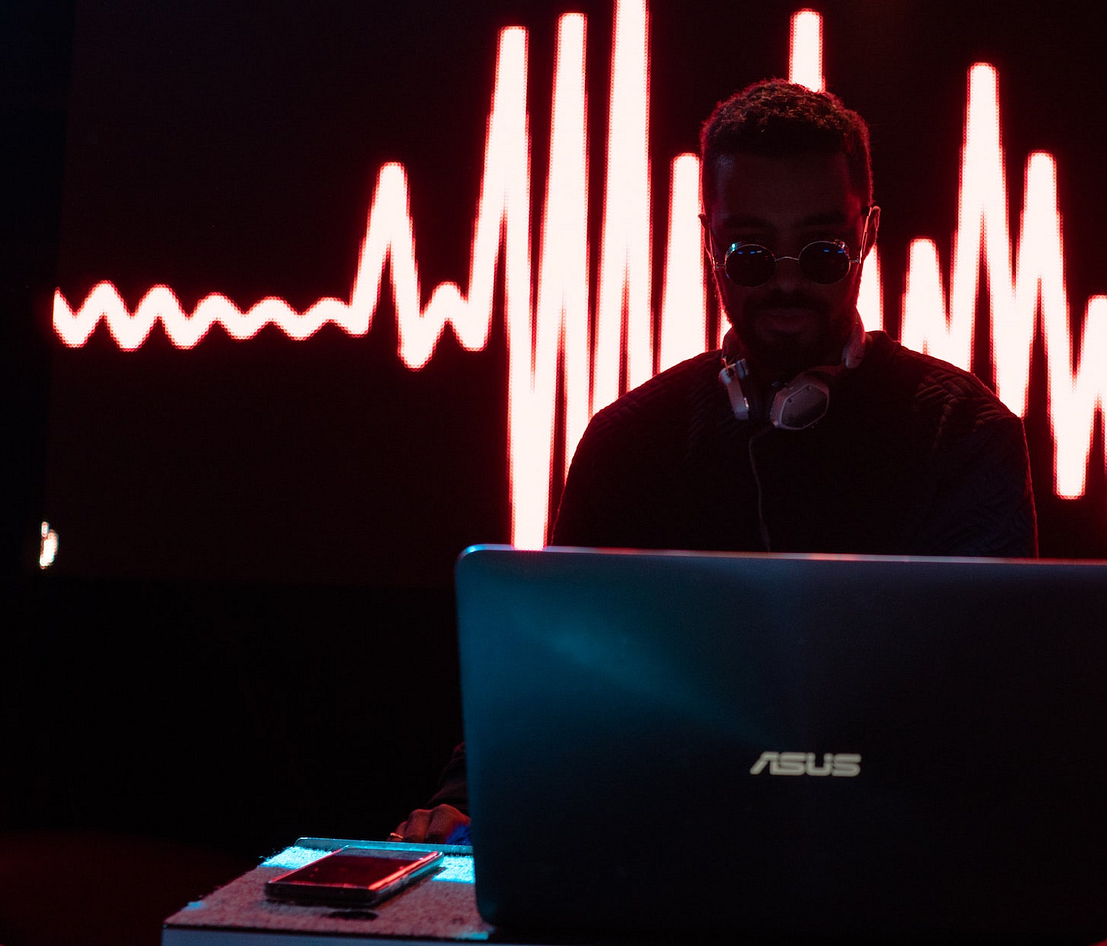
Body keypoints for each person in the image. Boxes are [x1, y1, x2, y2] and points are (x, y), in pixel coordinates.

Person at [390, 79, 1037, 843]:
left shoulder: (962, 432)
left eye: (823, 252)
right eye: (752, 253)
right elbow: (553, 674)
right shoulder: (629, 440)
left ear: (868, 233)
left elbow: (992, 702)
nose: (788, 281)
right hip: (660, 845)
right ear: (708, 240)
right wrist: (468, 799)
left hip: (899, 845)